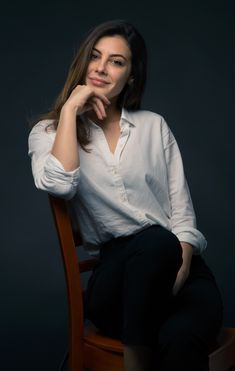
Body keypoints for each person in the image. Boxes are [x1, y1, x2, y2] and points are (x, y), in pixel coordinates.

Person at [28, 19, 223, 371]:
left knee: (181, 338)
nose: (102, 68)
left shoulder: (153, 126)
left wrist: (175, 277)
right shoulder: (51, 131)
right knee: (155, 241)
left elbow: (183, 215)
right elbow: (59, 183)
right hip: (116, 281)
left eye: (117, 61)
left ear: (131, 75)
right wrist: (71, 110)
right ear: (84, 61)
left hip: (177, 266)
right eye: (95, 56)